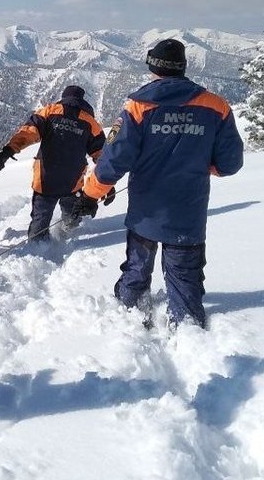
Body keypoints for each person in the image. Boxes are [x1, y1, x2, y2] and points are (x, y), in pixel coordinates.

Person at [75, 39, 244, 328]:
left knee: (137, 269)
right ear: (183, 67)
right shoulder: (216, 106)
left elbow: (114, 161)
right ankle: (186, 325)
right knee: (185, 275)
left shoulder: (138, 106)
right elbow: (231, 163)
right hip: (188, 211)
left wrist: (90, 195)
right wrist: (202, 165)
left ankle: (131, 308)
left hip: (146, 211)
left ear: (153, 66)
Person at [0, 85, 107, 242]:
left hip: (46, 177)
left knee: (41, 218)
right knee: (71, 214)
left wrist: (9, 150)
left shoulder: (48, 111)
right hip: (73, 179)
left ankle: (37, 246)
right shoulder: (90, 122)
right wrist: (106, 181)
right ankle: (69, 236)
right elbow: (102, 154)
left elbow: (28, 132)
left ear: (64, 97)